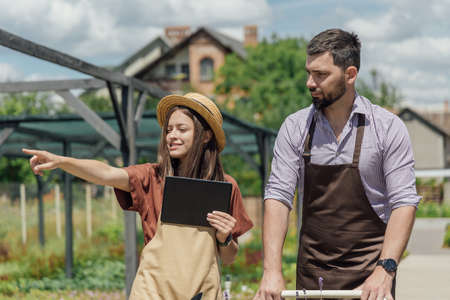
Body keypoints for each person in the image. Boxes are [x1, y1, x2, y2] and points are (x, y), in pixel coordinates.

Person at [23, 92, 253, 300]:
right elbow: (106, 173)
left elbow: (229, 257)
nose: (172, 135)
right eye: (169, 130)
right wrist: (62, 161)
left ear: (205, 136)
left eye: (182, 129)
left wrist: (224, 238)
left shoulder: (224, 186)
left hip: (201, 293)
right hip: (152, 292)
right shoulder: (152, 177)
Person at [253, 29, 420, 300]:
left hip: (371, 281)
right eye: (309, 72)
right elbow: (278, 196)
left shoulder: (387, 129)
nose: (310, 82)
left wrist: (385, 271)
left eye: (321, 75)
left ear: (350, 75)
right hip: (311, 279)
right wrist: (271, 270)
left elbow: (403, 202)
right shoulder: (295, 128)